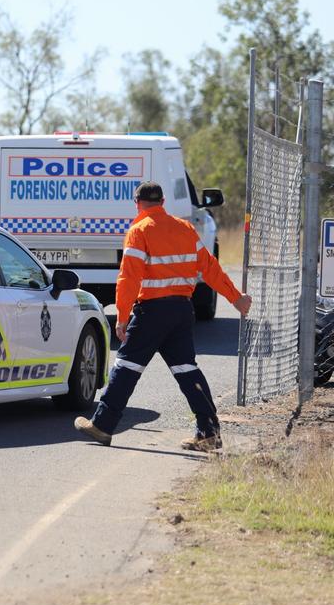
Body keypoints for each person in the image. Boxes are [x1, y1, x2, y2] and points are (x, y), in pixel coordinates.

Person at [74, 181, 252, 451]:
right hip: (181, 311)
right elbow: (210, 267)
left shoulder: (139, 230)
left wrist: (122, 316)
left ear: (137, 203)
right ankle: (209, 432)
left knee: (126, 367)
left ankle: (102, 425)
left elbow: (128, 278)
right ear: (163, 202)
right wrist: (236, 298)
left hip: (152, 312)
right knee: (186, 369)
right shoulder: (184, 228)